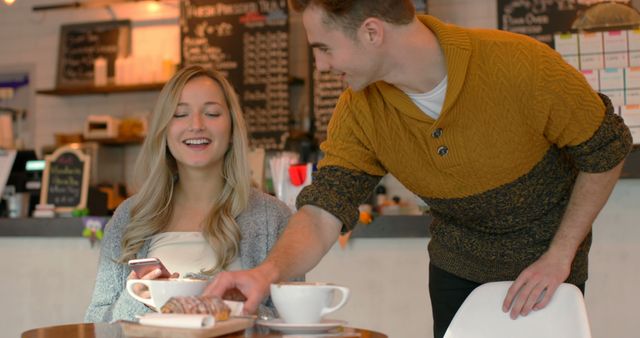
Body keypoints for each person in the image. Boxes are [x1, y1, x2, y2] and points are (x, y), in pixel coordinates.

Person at [205, 0, 633, 336]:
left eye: (324, 49)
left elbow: (606, 150)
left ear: (372, 32)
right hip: (456, 265)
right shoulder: (360, 111)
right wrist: (265, 273)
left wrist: (562, 253)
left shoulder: (522, 66)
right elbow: (323, 211)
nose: (321, 66)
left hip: (548, 269)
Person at [84, 65, 297, 322]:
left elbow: (294, 325)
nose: (196, 125)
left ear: (231, 129)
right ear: (163, 130)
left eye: (212, 113)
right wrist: (142, 298)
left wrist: (224, 305)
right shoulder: (129, 217)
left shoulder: (274, 218)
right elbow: (95, 325)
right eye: (180, 114)